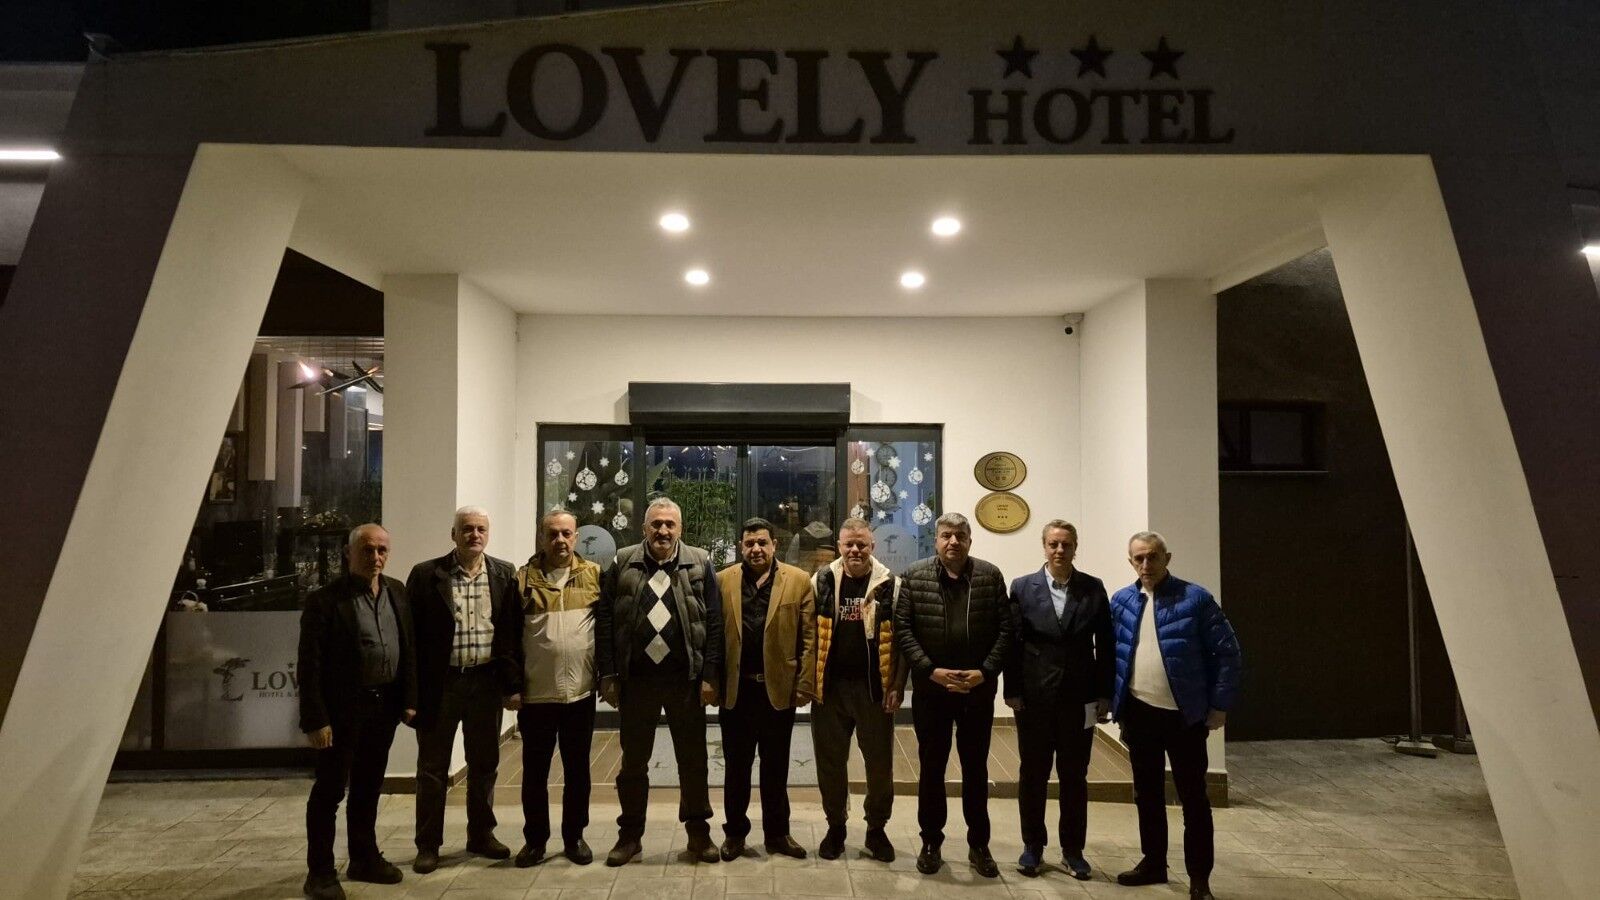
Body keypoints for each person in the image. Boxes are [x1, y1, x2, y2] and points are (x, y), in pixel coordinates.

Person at [594, 497, 725, 866]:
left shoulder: (700, 561)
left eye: (669, 524)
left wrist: (710, 675)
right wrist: (608, 674)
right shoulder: (622, 561)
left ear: (679, 528)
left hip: (685, 680)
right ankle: (629, 836)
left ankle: (698, 833)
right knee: (634, 762)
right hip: (637, 680)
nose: (663, 531)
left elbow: (714, 621)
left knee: (693, 761)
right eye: (656, 524)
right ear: (644, 528)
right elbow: (605, 620)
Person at [1111, 531, 1242, 900]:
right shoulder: (1121, 601)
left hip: (1184, 717)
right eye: (1138, 558)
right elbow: (1113, 654)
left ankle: (1199, 878)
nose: (1146, 564)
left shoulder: (1195, 599)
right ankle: (1154, 863)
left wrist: (1219, 705)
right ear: (1130, 561)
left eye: (1153, 557)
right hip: (1139, 713)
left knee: (1193, 799)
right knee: (1147, 794)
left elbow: (1228, 653)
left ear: (1167, 558)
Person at [297, 523, 417, 900]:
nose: (376, 557)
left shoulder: (397, 591)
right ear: (349, 553)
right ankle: (320, 873)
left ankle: (364, 858)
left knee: (368, 786)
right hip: (341, 712)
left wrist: (409, 698)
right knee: (330, 791)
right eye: (367, 550)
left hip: (384, 707)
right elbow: (309, 666)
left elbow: (408, 647)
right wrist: (316, 719)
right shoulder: (325, 601)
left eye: (382, 550)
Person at [894, 512, 1014, 878]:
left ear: (969, 540)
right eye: (946, 535)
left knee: (975, 768)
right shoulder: (914, 576)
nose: (953, 542)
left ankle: (979, 845)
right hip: (932, 690)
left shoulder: (990, 576)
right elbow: (903, 628)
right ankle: (931, 842)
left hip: (976, 690)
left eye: (960, 535)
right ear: (936, 540)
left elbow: (1006, 630)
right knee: (931, 768)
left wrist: (984, 672)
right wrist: (930, 670)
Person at [406, 506, 521, 874]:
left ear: (488, 533)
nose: (475, 535)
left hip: (486, 682)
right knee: (432, 769)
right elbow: (410, 638)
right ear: (453, 534)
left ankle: (481, 835)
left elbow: (510, 633)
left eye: (481, 529)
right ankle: (428, 845)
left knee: (484, 764)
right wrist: (410, 693)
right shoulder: (426, 575)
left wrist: (511, 684)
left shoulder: (503, 574)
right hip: (441, 685)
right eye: (467, 529)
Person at [1004, 520, 1113, 880]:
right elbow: (1013, 643)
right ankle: (1032, 847)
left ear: (1075, 547)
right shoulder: (1022, 587)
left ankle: (1073, 851)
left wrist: (1105, 694)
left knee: (1074, 776)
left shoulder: (1093, 588)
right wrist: (1012, 690)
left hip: (1080, 698)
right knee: (1032, 774)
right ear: (1044, 546)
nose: (1060, 550)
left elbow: (1106, 645)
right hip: (1034, 697)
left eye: (1066, 544)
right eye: (1053, 544)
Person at [715, 517, 817, 861]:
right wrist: (711, 682)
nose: (756, 549)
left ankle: (777, 834)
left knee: (776, 768)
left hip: (778, 692)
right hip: (737, 692)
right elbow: (713, 637)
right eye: (749, 543)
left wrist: (804, 684)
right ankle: (735, 835)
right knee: (736, 768)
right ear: (740, 547)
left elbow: (809, 638)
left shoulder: (798, 580)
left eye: (762, 542)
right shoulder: (723, 581)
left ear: (774, 545)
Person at [809, 517, 905, 863]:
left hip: (873, 691)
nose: (855, 550)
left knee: (879, 766)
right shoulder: (821, 580)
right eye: (848, 544)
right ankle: (836, 827)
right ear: (839, 546)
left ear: (872, 547)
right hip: (830, 690)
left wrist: (896, 684)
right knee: (830, 764)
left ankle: (876, 829)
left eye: (861, 544)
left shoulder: (890, 585)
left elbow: (902, 641)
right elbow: (809, 634)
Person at [510, 508, 601, 867]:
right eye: (553, 534)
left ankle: (574, 836)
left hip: (580, 693)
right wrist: (512, 686)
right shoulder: (521, 580)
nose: (560, 540)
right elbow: (509, 639)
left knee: (578, 771)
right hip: (537, 695)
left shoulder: (594, 576)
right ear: (541, 537)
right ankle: (535, 841)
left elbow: (605, 632)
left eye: (566, 533)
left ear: (576, 537)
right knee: (535, 773)